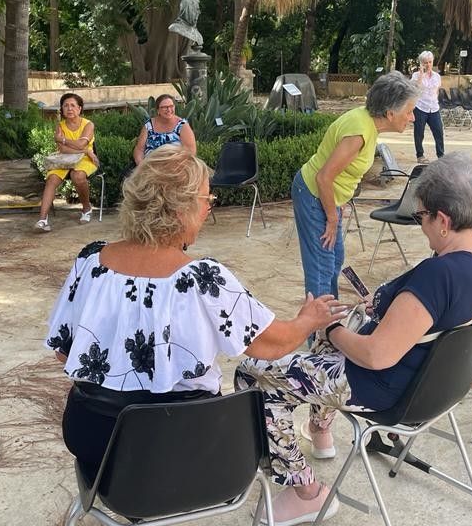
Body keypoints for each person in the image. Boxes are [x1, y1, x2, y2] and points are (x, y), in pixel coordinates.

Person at [43, 146, 347, 486]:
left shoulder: (89, 260)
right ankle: (305, 490)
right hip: (189, 448)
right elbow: (272, 346)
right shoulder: (202, 278)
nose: (208, 208)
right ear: (179, 211)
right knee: (260, 383)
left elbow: (63, 351)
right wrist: (309, 318)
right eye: (206, 199)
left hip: (96, 444)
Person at [235, 154, 472, 526]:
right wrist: (378, 315)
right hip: (433, 389)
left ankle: (306, 493)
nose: (420, 225)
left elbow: (376, 356)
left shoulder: (438, 275)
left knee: (254, 373)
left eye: (420, 217)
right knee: (332, 342)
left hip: (380, 387)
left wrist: (326, 328)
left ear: (443, 220)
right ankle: (321, 433)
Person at [294, 71, 420, 300]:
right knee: (322, 266)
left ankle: (329, 323)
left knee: (334, 259)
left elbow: (343, 174)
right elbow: (324, 177)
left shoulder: (368, 123)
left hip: (327, 196)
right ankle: (317, 332)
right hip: (314, 194)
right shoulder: (359, 132)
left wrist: (338, 203)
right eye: (409, 111)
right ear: (391, 113)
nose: (412, 118)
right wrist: (332, 217)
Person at [35, 92, 98, 231]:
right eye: (65, 106)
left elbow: (81, 144)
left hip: (86, 160)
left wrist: (63, 140)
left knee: (78, 175)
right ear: (62, 109)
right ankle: (42, 219)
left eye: (73, 105)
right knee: (51, 178)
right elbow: (63, 150)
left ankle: (86, 208)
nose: (69, 109)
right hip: (66, 159)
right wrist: (85, 150)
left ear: (80, 108)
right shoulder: (60, 125)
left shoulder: (88, 125)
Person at [132, 94, 196, 165]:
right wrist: (141, 165)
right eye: (165, 107)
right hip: (149, 168)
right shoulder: (149, 125)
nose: (169, 110)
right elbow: (139, 149)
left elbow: (190, 152)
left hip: (175, 168)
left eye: (171, 106)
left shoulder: (182, 126)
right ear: (158, 110)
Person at [411, 50, 445, 164]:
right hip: (420, 107)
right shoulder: (416, 76)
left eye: (430, 62)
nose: (428, 64)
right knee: (419, 132)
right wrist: (421, 74)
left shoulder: (437, 76)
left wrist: (434, 99)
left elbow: (436, 91)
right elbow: (416, 89)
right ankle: (420, 155)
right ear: (421, 63)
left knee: (438, 131)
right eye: (425, 62)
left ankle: (441, 155)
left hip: (433, 108)